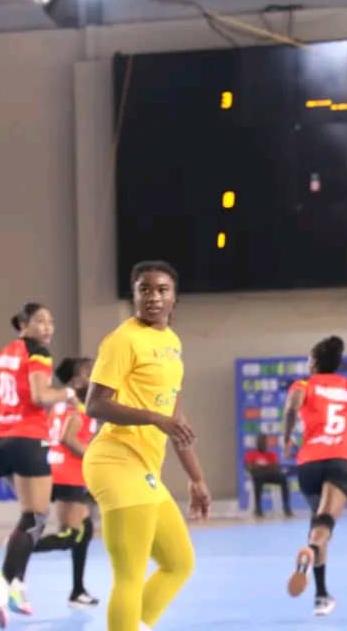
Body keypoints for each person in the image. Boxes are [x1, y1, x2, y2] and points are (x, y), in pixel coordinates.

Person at [84, 260, 211, 631]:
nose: (153, 297)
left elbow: (176, 420)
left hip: (145, 467)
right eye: (145, 289)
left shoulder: (172, 344)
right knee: (130, 574)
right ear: (134, 295)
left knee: (178, 562)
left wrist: (197, 479)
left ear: (174, 297)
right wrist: (155, 419)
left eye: (161, 290)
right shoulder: (123, 340)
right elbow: (95, 405)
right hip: (115, 461)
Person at [0, 302, 75, 627]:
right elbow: (41, 396)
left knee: (29, 517)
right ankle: (3, 580)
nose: (48, 327)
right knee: (36, 516)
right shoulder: (38, 352)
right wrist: (68, 392)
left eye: (50, 321)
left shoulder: (1, 355)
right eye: (40, 321)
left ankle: (18, 586)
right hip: (27, 439)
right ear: (23, 325)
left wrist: (3, 412)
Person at [282, 335, 347, 617]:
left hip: (309, 463)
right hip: (340, 462)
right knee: (323, 527)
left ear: (314, 363)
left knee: (319, 523)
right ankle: (311, 550)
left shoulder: (304, 385)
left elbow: (291, 407)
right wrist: (346, 436)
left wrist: (287, 437)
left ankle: (321, 596)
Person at [31, 357, 99, 609]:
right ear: (76, 381)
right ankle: (23, 546)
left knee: (85, 529)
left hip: (61, 472)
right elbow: (68, 439)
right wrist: (95, 458)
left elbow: (50, 438)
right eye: (88, 372)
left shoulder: (60, 406)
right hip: (68, 475)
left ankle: (78, 591)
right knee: (72, 534)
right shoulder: (77, 409)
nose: (93, 376)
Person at [244, 433, 292, 519]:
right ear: (257, 443)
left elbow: (275, 468)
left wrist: (259, 467)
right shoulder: (251, 454)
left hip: (270, 476)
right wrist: (265, 467)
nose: (263, 444)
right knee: (258, 478)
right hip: (258, 476)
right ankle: (258, 509)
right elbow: (249, 467)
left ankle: (286, 508)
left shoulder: (271, 455)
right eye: (261, 441)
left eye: (264, 442)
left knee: (283, 478)